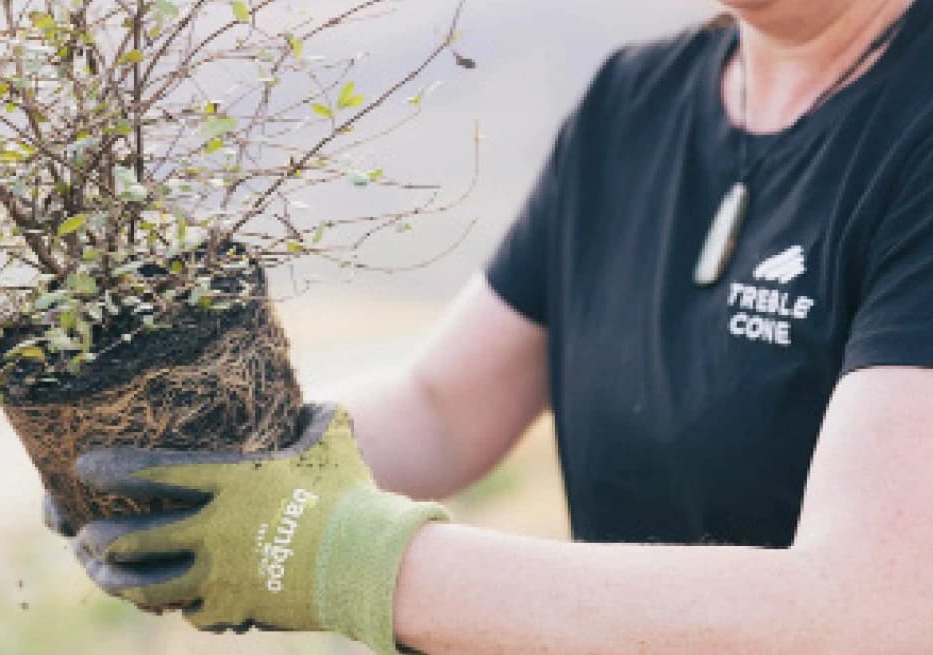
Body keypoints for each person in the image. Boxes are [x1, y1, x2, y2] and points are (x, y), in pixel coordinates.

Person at [50, 0, 933, 651]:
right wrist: (209, 457)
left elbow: (868, 611)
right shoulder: (631, 106)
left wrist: (337, 555)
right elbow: (441, 406)